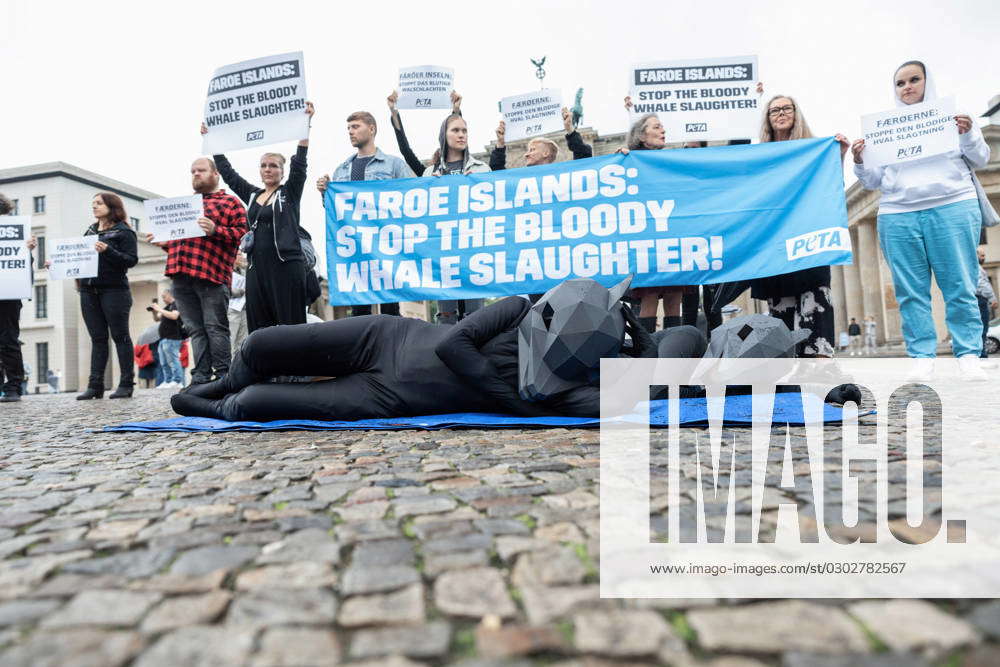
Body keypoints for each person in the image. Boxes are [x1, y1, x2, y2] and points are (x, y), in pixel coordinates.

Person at [170, 276, 706, 422]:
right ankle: (222, 383)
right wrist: (513, 400)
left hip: (390, 397)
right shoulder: (518, 308)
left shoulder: (570, 385)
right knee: (264, 344)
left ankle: (222, 403)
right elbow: (454, 344)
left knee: (257, 407)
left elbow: (619, 398)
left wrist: (644, 372)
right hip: (385, 339)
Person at [852, 61, 991, 381]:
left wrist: (968, 133)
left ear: (928, 82)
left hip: (952, 205)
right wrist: (859, 160)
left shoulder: (953, 117)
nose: (908, 87)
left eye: (914, 79)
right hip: (898, 212)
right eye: (900, 83)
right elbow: (872, 180)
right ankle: (922, 357)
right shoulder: (884, 127)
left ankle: (969, 354)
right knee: (910, 290)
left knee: (960, 284)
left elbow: (980, 158)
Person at [750, 94, 850, 359]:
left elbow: (832, 189)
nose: (781, 114)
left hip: (808, 241)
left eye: (786, 108)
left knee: (815, 304)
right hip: (775, 244)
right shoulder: (758, 156)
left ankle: (819, 369)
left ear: (796, 113)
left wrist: (838, 157)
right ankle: (788, 374)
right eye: (774, 111)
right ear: (767, 119)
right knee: (780, 311)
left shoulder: (814, 150)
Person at [203, 102, 314, 333]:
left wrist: (305, 125)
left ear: (282, 172)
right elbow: (229, 175)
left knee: (290, 325)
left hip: (286, 265)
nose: (267, 169)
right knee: (260, 326)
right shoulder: (253, 195)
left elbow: (300, 165)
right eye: (263, 165)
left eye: (273, 166)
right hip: (257, 268)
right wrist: (213, 142)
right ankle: (267, 369)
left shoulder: (289, 193)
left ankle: (294, 369)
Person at [146, 158, 247, 384]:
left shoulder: (230, 203)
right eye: (192, 171)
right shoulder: (183, 206)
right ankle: (200, 377)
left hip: (211, 275)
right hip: (181, 275)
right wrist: (162, 241)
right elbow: (180, 243)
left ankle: (223, 376)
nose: (196, 174)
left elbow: (243, 234)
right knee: (195, 330)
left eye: (201, 170)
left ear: (215, 174)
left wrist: (216, 230)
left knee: (215, 328)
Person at [317, 110, 413, 317]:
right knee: (359, 307)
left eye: (355, 126)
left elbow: (413, 197)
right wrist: (325, 193)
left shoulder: (393, 164)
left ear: (372, 128)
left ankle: (392, 347)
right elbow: (335, 212)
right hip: (356, 246)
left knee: (389, 304)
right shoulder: (341, 170)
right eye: (348, 128)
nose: (351, 132)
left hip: (386, 243)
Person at [615, 113, 686, 333]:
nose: (663, 130)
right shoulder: (630, 160)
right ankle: (648, 352)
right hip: (649, 241)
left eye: (663, 127)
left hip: (673, 236)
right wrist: (621, 159)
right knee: (650, 297)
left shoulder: (671, 161)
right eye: (656, 127)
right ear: (642, 136)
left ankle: (674, 353)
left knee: (675, 297)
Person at [423, 111, 492, 323]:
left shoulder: (482, 169)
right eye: (455, 130)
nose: (461, 135)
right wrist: (429, 188)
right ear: (444, 136)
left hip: (472, 248)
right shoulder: (429, 173)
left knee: (475, 313)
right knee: (446, 313)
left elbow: (493, 207)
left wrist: (480, 185)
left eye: (464, 131)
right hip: (443, 249)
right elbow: (421, 215)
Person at [73, 193, 138, 399]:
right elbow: (79, 257)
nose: (94, 207)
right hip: (88, 291)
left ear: (112, 206)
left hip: (114, 290)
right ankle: (95, 386)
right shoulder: (90, 231)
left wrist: (108, 250)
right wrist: (59, 264)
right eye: (93, 204)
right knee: (98, 338)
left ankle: (126, 383)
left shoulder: (124, 231)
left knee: (120, 336)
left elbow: (130, 260)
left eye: (99, 203)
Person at [0, 192, 35, 403]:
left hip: (8, 295)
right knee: (8, 339)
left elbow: (21, 267)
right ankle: (12, 386)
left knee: (8, 339)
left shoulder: (16, 229)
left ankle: (13, 385)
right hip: (9, 294)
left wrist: (26, 251)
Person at [386, 89, 463, 176]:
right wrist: (393, 111)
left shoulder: (466, 168)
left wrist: (456, 110)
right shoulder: (427, 174)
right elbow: (405, 150)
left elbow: (457, 136)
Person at [489, 108, 593, 170]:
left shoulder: (563, 176)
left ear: (546, 153)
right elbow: (497, 173)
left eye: (532, 150)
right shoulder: (521, 180)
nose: (526, 154)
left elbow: (584, 157)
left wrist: (570, 129)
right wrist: (500, 143)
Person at [150, 289, 185, 388]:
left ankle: (177, 380)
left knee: (173, 360)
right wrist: (154, 311)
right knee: (164, 362)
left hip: (173, 337)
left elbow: (174, 316)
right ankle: (168, 380)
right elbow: (157, 318)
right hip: (163, 338)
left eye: (164, 296)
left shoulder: (176, 304)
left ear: (170, 295)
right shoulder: (167, 307)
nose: (163, 299)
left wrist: (160, 309)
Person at [975, 247, 996, 359]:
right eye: (982, 255)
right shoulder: (978, 269)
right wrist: (993, 299)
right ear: (976, 255)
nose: (984, 258)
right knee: (983, 328)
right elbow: (982, 285)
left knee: (977, 328)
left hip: (975, 299)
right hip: (980, 300)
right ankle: (982, 355)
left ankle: (979, 354)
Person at [228, 253, 248, 354]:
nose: (241, 257)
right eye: (239, 255)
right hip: (232, 310)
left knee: (243, 341)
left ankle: (239, 365)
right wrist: (241, 291)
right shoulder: (227, 271)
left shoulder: (243, 271)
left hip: (244, 310)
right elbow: (226, 290)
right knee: (231, 340)